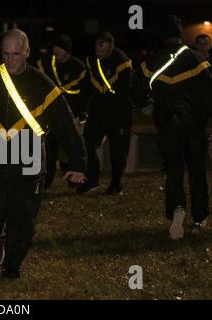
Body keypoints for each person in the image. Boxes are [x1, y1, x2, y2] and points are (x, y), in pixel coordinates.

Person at [0, 29, 86, 279]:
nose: (10, 60)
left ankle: (12, 265)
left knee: (23, 217)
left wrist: (78, 162)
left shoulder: (42, 86)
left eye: (16, 54)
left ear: (27, 52)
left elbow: (65, 124)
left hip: (28, 162)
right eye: (5, 54)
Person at [132, 15, 212, 239]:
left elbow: (137, 91)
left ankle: (176, 208)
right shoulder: (197, 58)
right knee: (197, 171)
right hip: (195, 127)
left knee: (174, 170)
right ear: (180, 35)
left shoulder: (152, 62)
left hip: (168, 125)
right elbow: (208, 92)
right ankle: (199, 216)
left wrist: (147, 106)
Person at [76, 31, 133, 195]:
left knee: (117, 150)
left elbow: (125, 90)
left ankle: (116, 184)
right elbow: (87, 85)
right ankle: (92, 180)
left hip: (118, 113)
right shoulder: (91, 60)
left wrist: (116, 109)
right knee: (88, 143)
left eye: (104, 51)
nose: (100, 54)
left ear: (111, 47)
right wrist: (81, 106)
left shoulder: (122, 62)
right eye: (98, 50)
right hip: (97, 111)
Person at [36, 34, 88, 188]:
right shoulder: (47, 64)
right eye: (55, 47)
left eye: (59, 47)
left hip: (70, 116)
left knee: (72, 147)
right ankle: (46, 182)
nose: (56, 51)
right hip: (51, 115)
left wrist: (79, 114)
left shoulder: (78, 67)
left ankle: (74, 177)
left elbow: (83, 94)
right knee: (49, 150)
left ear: (67, 50)